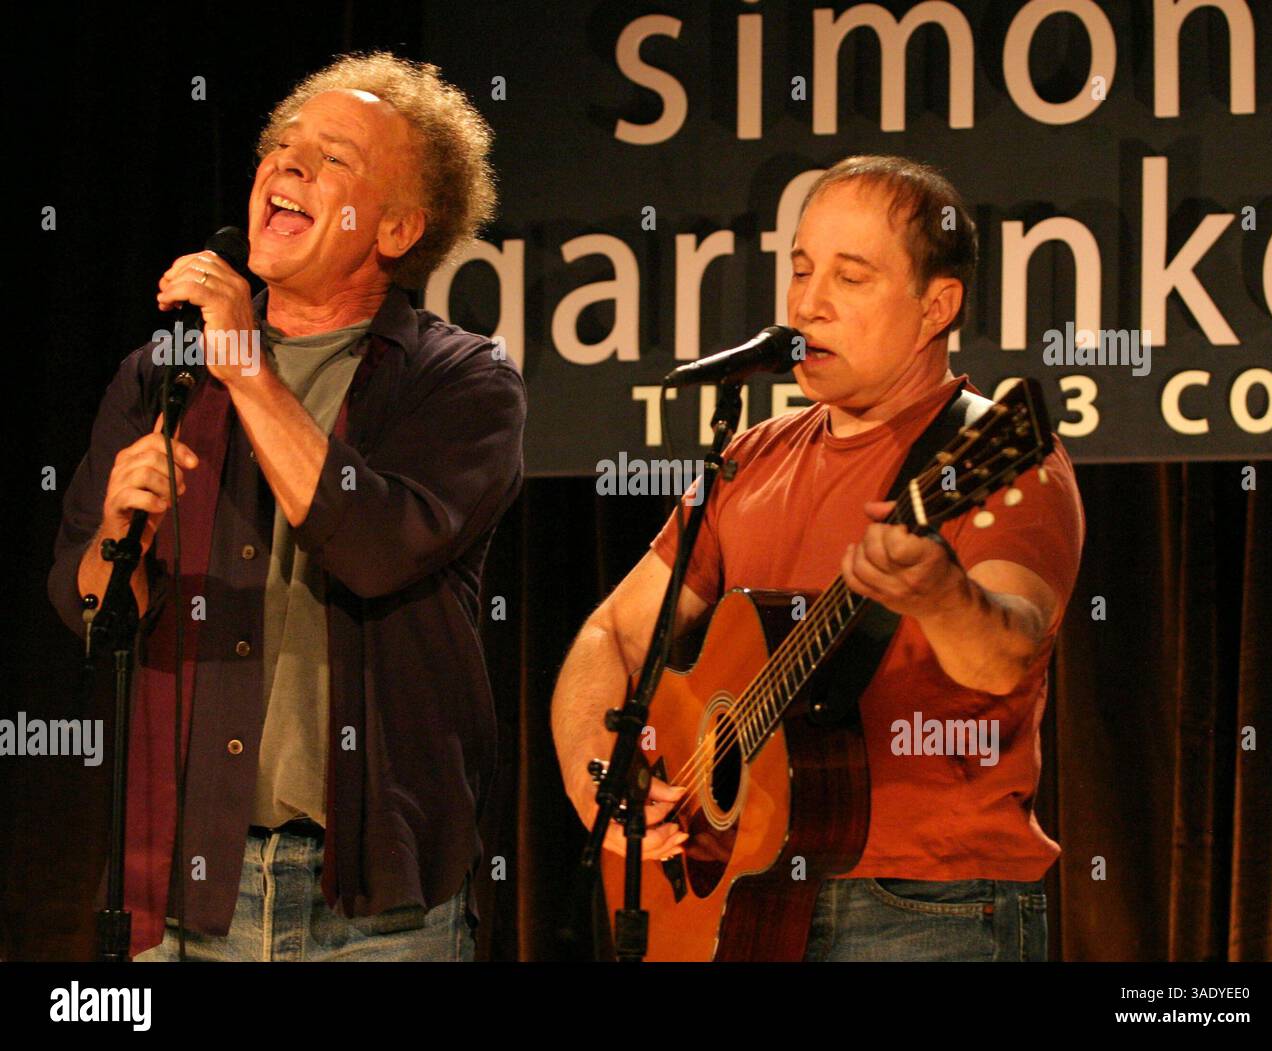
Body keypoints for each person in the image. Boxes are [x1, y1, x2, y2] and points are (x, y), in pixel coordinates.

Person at [47, 51, 524, 961]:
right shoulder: (157, 378)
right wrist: (118, 538)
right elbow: (93, 618)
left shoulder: (462, 380)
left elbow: (375, 544)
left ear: (395, 229)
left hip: (378, 913)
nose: (288, 166)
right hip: (189, 893)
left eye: (333, 157)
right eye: (281, 145)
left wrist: (246, 369)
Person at [551, 155, 1084, 962]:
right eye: (800, 271)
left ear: (937, 306)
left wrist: (938, 592)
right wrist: (596, 772)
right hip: (747, 896)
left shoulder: (999, 456)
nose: (807, 304)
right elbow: (615, 635)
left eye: (851, 277)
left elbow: (1007, 655)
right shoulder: (750, 458)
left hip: (925, 908)